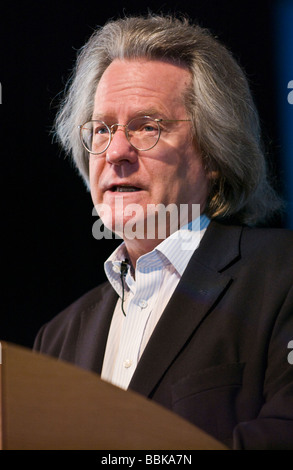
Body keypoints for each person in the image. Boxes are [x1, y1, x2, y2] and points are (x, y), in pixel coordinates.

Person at [33, 14, 293, 450]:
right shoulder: (56, 339)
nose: (116, 151)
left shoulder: (282, 275)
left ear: (213, 154)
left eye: (147, 126)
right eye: (101, 129)